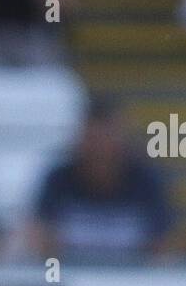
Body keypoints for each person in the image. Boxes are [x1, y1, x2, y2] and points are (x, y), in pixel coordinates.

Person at [25, 99, 176, 264]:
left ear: (123, 141)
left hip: (134, 284)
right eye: (93, 139)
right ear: (80, 140)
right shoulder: (58, 179)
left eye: (107, 138)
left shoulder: (147, 181)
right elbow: (38, 236)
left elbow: (164, 246)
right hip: (70, 279)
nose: (100, 149)